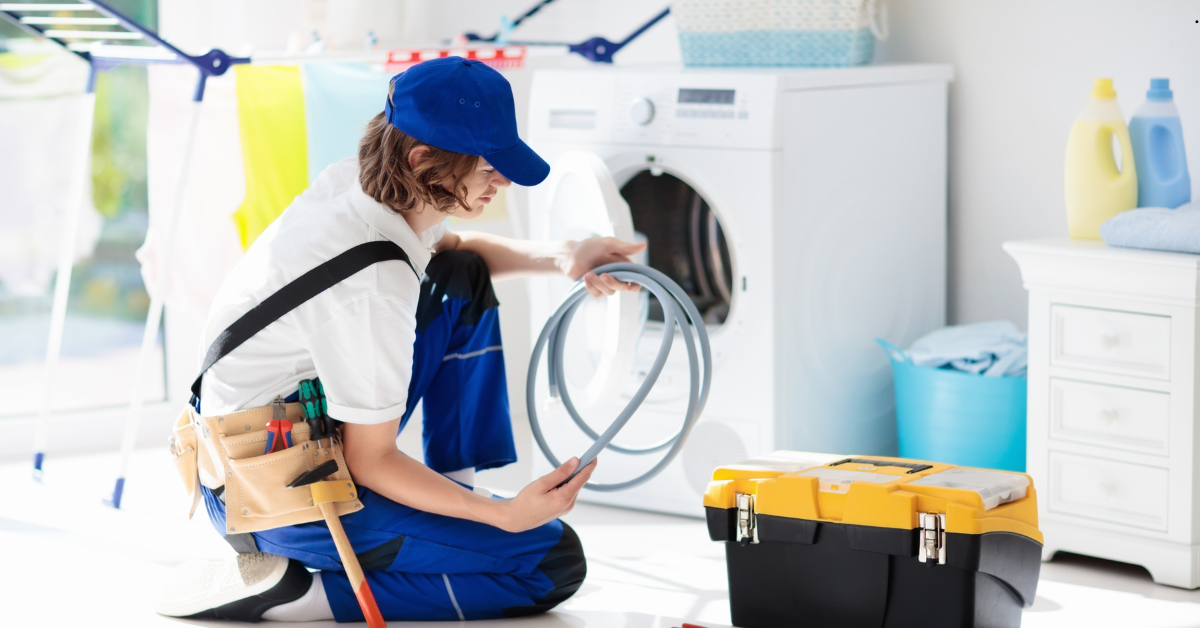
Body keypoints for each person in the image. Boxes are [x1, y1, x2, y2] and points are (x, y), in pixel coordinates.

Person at [156, 57, 644, 623]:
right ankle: (300, 596)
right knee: (550, 562)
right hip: (269, 495)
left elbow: (454, 246)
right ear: (423, 160)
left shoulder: (362, 185)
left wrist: (563, 255)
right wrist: (503, 516)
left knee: (459, 276)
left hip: (265, 433)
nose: (502, 182)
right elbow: (372, 459)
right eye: (488, 168)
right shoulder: (373, 286)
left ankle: (452, 494)